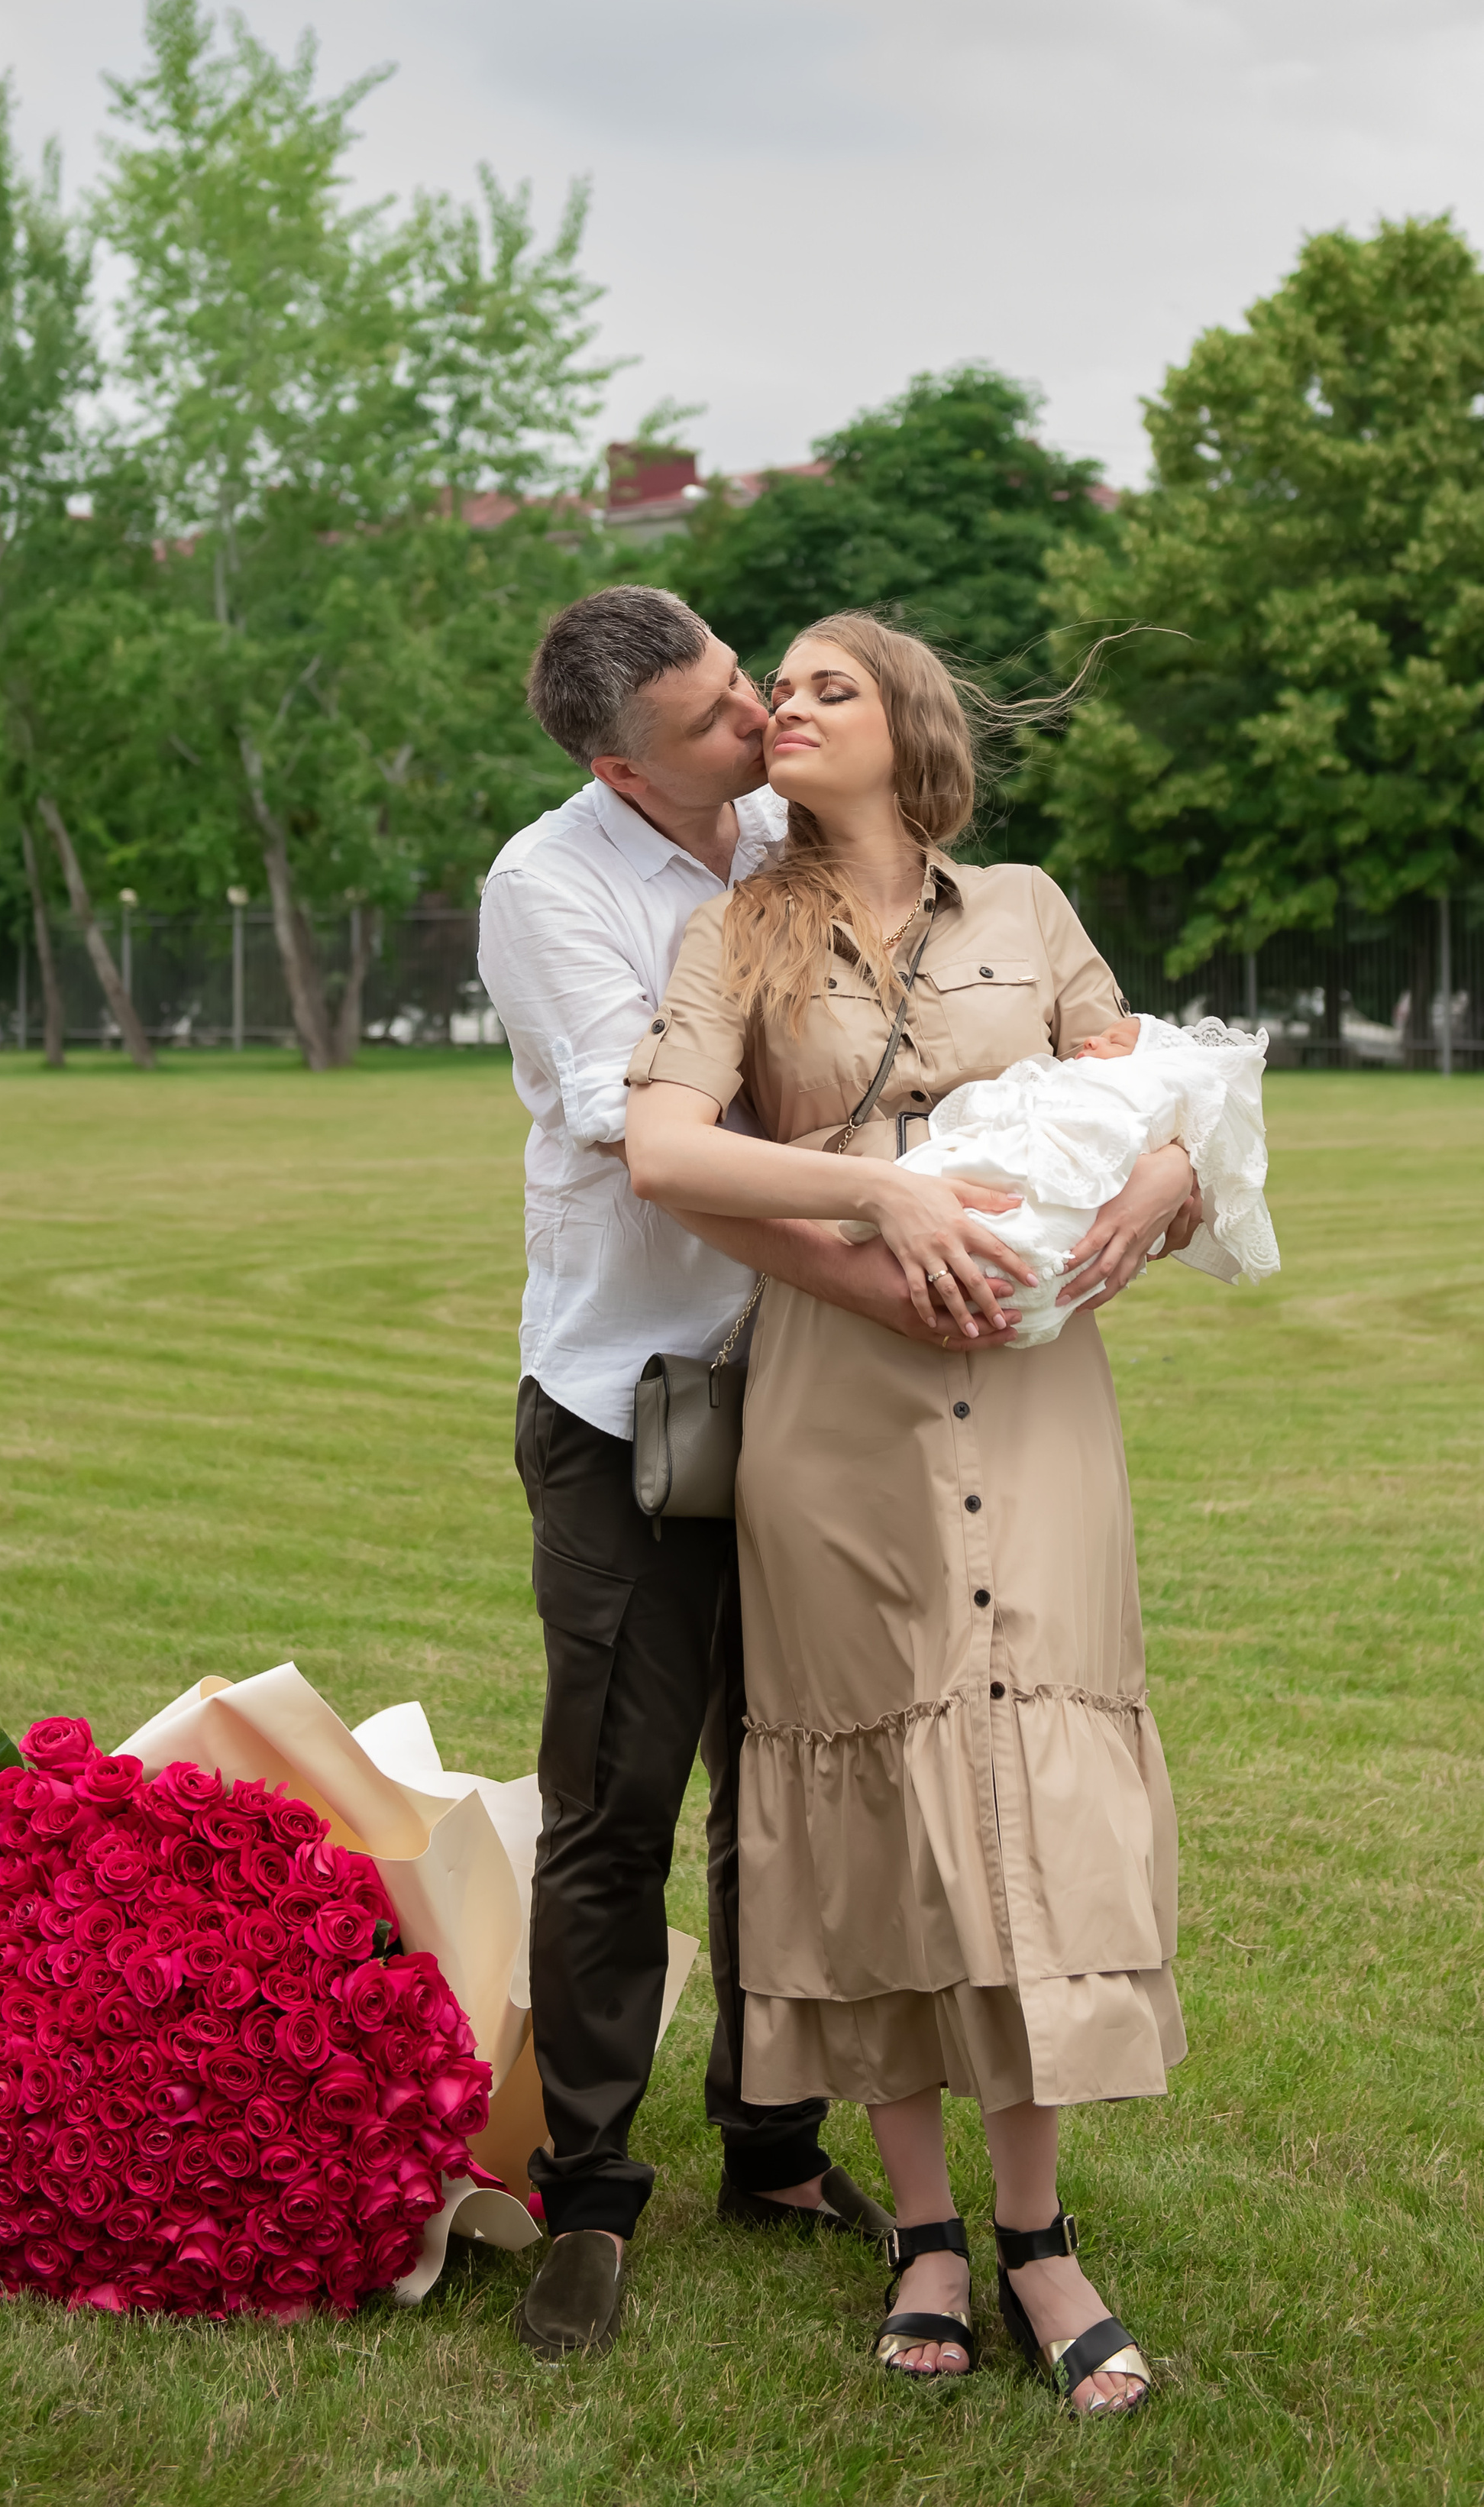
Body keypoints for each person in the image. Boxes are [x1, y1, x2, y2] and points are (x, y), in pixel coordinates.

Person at [624, 611, 1201, 2416]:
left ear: (904, 723)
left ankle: (1035, 2237)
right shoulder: (732, 931)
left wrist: (1170, 1177)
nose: (781, 708)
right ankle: (924, 2228)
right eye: (771, 688)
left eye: (822, 686)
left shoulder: (1025, 911)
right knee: (865, 1789)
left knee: (1023, 1773)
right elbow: (660, 1147)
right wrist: (873, 1209)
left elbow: (1158, 1089)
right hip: (833, 1413)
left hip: (1034, 1405)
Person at [477, 587, 1050, 2363]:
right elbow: (623, 1117)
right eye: (714, 719)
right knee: (616, 1804)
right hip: (633, 1401)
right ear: (615, 763)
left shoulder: (800, 836)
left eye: (749, 686)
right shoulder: (548, 887)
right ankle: (586, 2187)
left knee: (792, 1792)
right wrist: (881, 1190)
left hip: (826, 1394)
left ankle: (774, 2147)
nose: (751, 728)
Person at [850, 1008, 1280, 1347]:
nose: (1091, 1040)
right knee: (963, 1177)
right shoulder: (1070, 1077)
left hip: (1068, 1180)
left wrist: (1176, 1164)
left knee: (1045, 1220)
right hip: (1010, 1152)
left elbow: (1162, 1122)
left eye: (1115, 1042)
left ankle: (1015, 1275)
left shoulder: (1147, 1087)